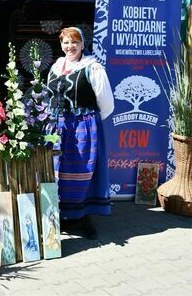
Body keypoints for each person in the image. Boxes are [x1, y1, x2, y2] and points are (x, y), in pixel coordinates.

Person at [46, 27, 114, 240]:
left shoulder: (93, 68)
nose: (70, 46)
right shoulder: (56, 67)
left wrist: (88, 122)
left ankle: (83, 215)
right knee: (57, 171)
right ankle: (60, 215)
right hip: (57, 128)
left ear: (83, 44)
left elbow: (107, 103)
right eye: (66, 42)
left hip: (82, 129)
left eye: (74, 42)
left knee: (82, 173)